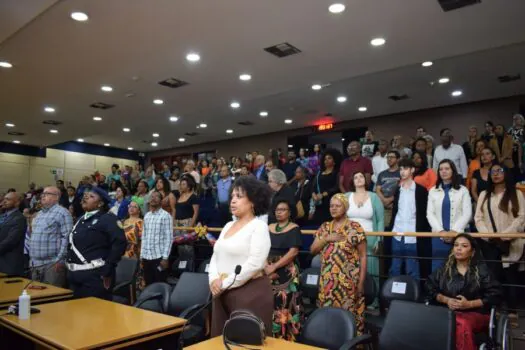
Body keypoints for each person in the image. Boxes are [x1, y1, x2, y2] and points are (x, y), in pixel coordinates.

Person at [208, 176, 274, 337]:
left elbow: (255, 263)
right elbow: (216, 255)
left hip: (250, 294)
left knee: (245, 342)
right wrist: (213, 281)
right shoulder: (228, 225)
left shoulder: (259, 226)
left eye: (239, 196)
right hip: (221, 291)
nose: (233, 201)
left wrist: (223, 283)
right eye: (232, 196)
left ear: (253, 201)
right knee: (219, 341)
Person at [425, 234, 502, 350]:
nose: (459, 248)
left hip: (477, 314)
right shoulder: (444, 270)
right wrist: (446, 300)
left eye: (464, 246)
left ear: (472, 251)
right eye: (456, 245)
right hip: (448, 312)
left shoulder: (482, 270)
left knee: (460, 322)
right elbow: (429, 287)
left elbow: (495, 294)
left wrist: (469, 304)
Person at [310, 193, 367, 335]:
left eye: (337, 206)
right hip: (327, 284)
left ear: (345, 207)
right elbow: (312, 250)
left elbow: (363, 256)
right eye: (331, 206)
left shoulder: (355, 227)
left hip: (348, 284)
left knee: (348, 319)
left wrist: (360, 283)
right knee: (327, 318)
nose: (333, 209)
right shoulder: (324, 227)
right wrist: (327, 239)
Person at [474, 163, 525, 313]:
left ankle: (512, 311)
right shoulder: (484, 194)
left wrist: (505, 235)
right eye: (493, 171)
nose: (495, 174)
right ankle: (494, 311)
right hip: (490, 243)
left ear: (506, 173)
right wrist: (488, 235)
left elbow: (522, 217)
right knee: (493, 279)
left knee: (511, 279)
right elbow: (478, 218)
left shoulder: (516, 193)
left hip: (512, 243)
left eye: (499, 171)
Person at [66, 187, 126, 300]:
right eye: (85, 196)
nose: (85, 197)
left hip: (95, 276)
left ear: (100, 203)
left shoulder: (107, 219)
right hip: (74, 277)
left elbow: (119, 243)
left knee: (95, 314)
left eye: (91, 196)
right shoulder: (80, 219)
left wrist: (109, 266)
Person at [265, 200, 303, 341]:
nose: (279, 212)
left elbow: (293, 252)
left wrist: (274, 267)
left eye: (283, 209)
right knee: (268, 303)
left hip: (286, 271)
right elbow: (262, 248)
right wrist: (266, 267)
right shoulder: (269, 227)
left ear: (289, 212)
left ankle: (285, 338)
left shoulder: (294, 228)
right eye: (277, 209)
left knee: (284, 304)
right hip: (267, 269)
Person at [346, 172, 384, 308]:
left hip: (370, 240)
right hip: (349, 240)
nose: (358, 179)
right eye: (355, 177)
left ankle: (372, 301)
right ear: (352, 181)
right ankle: (350, 298)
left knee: (371, 271)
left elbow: (380, 220)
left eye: (361, 176)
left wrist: (379, 239)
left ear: (366, 180)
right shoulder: (346, 197)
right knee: (350, 270)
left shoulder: (374, 197)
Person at [389, 158, 431, 280]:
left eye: (405, 168)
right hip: (397, 233)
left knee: (412, 269)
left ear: (412, 170)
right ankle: (393, 296)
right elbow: (395, 211)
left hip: (413, 234)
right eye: (401, 169)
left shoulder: (421, 190)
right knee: (395, 268)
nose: (402, 172)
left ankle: (414, 297)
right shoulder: (398, 190)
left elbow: (423, 214)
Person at [427, 160, 472, 272]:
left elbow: (467, 213)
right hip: (438, 236)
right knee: (438, 269)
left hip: (459, 236)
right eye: (441, 169)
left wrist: (453, 232)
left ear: (453, 171)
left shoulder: (463, 190)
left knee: (459, 269)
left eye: (447, 169)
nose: (443, 171)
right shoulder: (433, 190)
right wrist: (441, 231)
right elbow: (430, 213)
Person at [29, 186, 73, 287]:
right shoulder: (39, 214)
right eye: (43, 193)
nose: (43, 195)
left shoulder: (63, 212)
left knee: (52, 298)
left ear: (56, 197)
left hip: (52, 264)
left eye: (47, 193)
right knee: (36, 299)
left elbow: (67, 237)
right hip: (35, 264)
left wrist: (60, 260)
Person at [141, 191, 173, 286]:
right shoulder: (147, 216)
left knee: (160, 285)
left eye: (156, 197)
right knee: (148, 285)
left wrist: (165, 258)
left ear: (161, 200)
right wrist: (141, 256)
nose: (153, 198)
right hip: (146, 257)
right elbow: (144, 237)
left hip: (159, 257)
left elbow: (169, 238)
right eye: (152, 196)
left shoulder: (166, 216)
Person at [310, 149, 342, 225]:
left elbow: (337, 187)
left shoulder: (337, 173)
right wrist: (313, 194)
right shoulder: (319, 173)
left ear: (334, 161)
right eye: (325, 159)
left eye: (329, 158)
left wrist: (324, 194)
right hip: (319, 204)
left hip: (332, 203)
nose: (326, 160)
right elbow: (313, 186)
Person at [0, 191, 27, 276]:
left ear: (17, 202)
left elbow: (11, 240)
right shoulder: (2, 216)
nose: (4, 201)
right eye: (4, 199)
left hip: (9, 263)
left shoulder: (19, 218)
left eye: (8, 199)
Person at [174, 176, 200, 258]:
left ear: (189, 187)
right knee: (179, 245)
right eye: (181, 184)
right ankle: (181, 264)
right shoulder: (179, 196)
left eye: (183, 184)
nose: (181, 186)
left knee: (188, 245)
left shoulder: (193, 197)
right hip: (178, 223)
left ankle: (189, 265)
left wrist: (190, 226)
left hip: (187, 223)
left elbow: (195, 212)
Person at [123, 201, 145, 292]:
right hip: (123, 251)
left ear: (139, 210)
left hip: (135, 251)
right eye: (130, 206)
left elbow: (142, 239)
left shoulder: (141, 222)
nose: (131, 208)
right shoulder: (124, 221)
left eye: (134, 207)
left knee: (135, 275)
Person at [376, 150, 401, 226]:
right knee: (385, 230)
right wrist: (384, 201)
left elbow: (402, 190)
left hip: (397, 206)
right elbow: (378, 189)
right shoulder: (382, 174)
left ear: (398, 159)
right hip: (384, 207)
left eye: (392, 157)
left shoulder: (401, 172)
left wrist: (390, 200)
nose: (389, 159)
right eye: (388, 157)